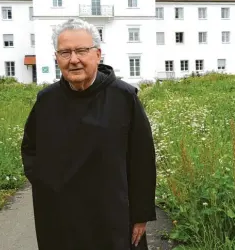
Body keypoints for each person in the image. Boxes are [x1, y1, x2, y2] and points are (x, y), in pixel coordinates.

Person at [20, 18, 157, 250]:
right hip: (60, 215)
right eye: (65, 52)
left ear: (97, 54)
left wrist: (140, 215)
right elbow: (30, 150)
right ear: (56, 58)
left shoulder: (124, 98)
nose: (74, 60)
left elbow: (142, 160)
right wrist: (47, 185)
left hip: (112, 214)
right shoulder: (46, 101)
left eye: (82, 50)